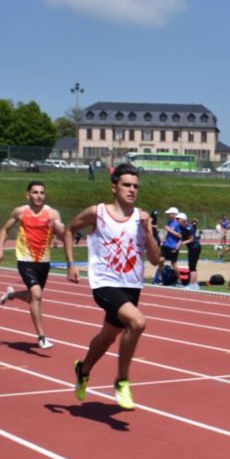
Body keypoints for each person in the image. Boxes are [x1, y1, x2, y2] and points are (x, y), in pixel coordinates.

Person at [63, 163, 161, 410]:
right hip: (104, 284)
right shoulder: (98, 213)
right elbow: (68, 229)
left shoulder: (141, 217)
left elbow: (156, 259)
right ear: (114, 187)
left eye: (136, 186)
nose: (132, 190)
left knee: (106, 338)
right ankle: (122, 381)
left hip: (131, 286)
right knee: (137, 322)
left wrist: (148, 231)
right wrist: (71, 264)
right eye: (127, 185)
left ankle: (82, 370)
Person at [0, 181, 67, 350]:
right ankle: (41, 337)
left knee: (32, 296)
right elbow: (5, 230)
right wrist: (0, 249)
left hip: (43, 261)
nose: (39, 195)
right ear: (28, 195)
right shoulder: (21, 212)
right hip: (25, 259)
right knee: (36, 295)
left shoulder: (52, 213)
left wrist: (60, 229)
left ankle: (12, 295)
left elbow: (63, 234)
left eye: (42, 192)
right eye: (35, 192)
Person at [158, 207, 182, 284]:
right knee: (160, 260)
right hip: (166, 245)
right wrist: (163, 240)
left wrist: (170, 230)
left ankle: (179, 280)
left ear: (174, 215)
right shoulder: (169, 223)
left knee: (173, 263)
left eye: (169, 214)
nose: (168, 215)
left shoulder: (178, 224)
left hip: (173, 246)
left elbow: (180, 236)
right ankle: (162, 278)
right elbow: (168, 234)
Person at [183, 217, 202, 289]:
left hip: (194, 247)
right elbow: (191, 225)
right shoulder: (188, 227)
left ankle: (191, 284)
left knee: (192, 267)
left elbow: (191, 239)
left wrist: (182, 243)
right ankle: (195, 284)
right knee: (193, 266)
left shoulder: (188, 228)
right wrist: (193, 221)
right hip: (194, 247)